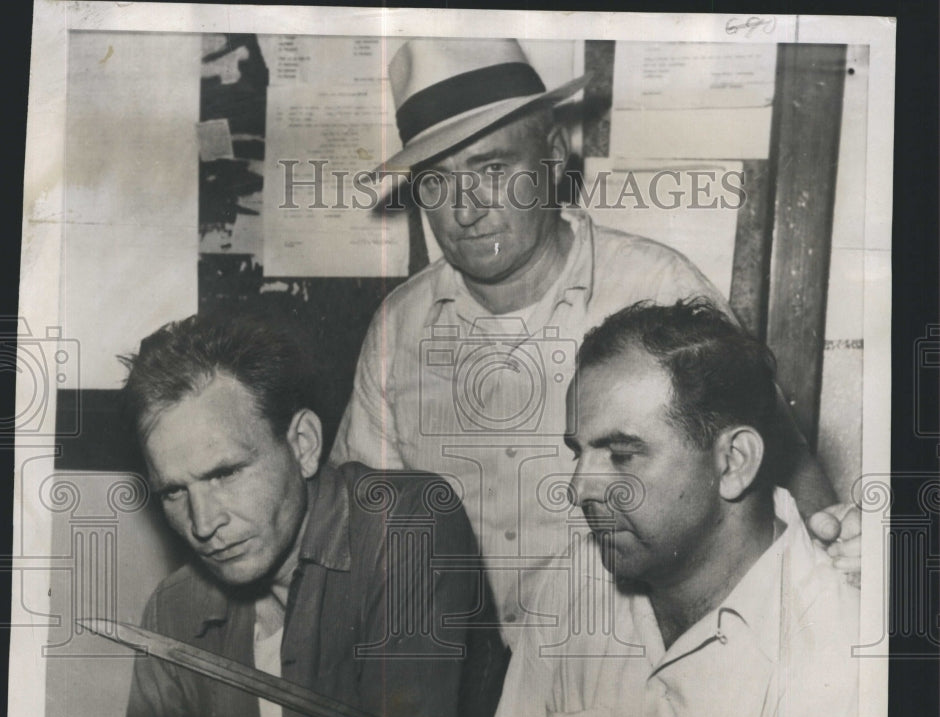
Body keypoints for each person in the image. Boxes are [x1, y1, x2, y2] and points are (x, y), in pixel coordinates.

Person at [331, 37, 860, 640]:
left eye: (492, 169)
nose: (464, 210)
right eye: (435, 183)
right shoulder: (398, 327)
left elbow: (788, 471)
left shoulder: (658, 286)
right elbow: (361, 520)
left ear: (553, 156)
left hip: (639, 684)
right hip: (459, 694)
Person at [437, 299, 859, 717]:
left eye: (621, 454)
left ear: (733, 463)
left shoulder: (835, 666)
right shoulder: (578, 579)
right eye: (578, 452)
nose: (578, 486)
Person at [60, 314, 499, 717]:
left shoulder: (408, 527)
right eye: (173, 492)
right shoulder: (174, 611)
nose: (203, 521)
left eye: (224, 474)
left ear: (303, 444)